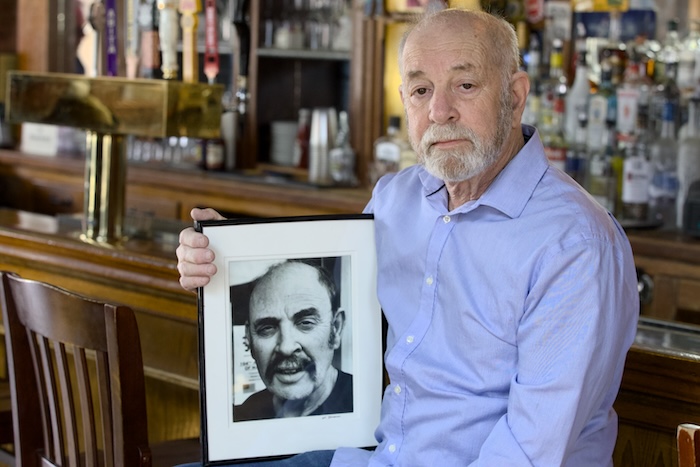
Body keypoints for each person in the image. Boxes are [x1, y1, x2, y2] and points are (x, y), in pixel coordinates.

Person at [176, 7, 639, 467]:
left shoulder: (576, 244)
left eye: (465, 85)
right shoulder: (396, 199)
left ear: (515, 96)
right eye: (421, 90)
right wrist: (220, 253)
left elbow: (527, 451)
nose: (440, 111)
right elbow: (329, 294)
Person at [234, 260, 353, 421]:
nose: (286, 347)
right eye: (267, 328)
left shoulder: (367, 402)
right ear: (249, 338)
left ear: (336, 328)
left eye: (306, 323)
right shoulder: (246, 415)